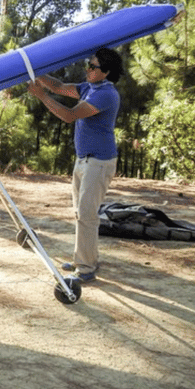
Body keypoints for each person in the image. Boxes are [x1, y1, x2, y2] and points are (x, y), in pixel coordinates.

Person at [27, 48, 123, 284]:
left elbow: (70, 115)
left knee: (87, 216)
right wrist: (36, 71)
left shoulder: (106, 94)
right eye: (88, 65)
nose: (88, 69)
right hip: (84, 160)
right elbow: (59, 86)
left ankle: (86, 267)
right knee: (81, 213)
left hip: (99, 162)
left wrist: (41, 97)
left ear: (106, 72)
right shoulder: (90, 87)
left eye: (93, 67)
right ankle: (84, 258)